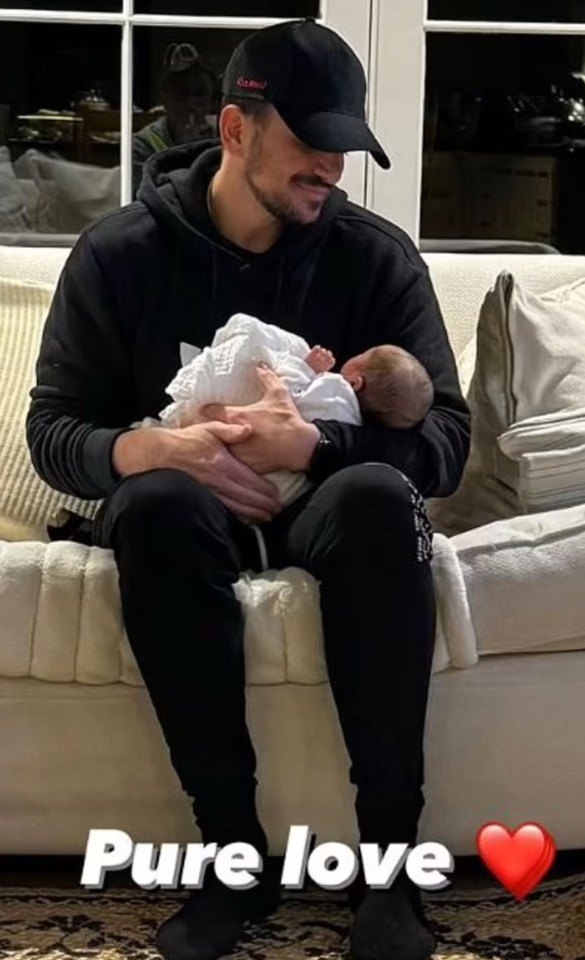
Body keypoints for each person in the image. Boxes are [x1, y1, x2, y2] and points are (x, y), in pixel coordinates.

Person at [26, 17, 470, 960]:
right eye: (311, 146)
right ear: (235, 130)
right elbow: (54, 434)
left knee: (377, 498)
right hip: (186, 517)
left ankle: (389, 868)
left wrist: (314, 446)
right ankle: (234, 855)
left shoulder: (374, 257)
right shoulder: (120, 255)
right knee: (152, 505)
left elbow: (445, 444)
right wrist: (149, 450)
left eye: (344, 150)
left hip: (328, 511)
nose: (331, 170)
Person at [136, 312, 434, 512]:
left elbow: (291, 392)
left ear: (356, 381)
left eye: (360, 356)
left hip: (245, 444)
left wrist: (306, 368)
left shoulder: (335, 391)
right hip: (281, 495)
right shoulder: (355, 422)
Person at [133, 42, 217, 163]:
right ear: (164, 99)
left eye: (200, 94)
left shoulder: (224, 139)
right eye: (181, 93)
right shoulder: (143, 145)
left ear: (212, 102)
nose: (191, 104)